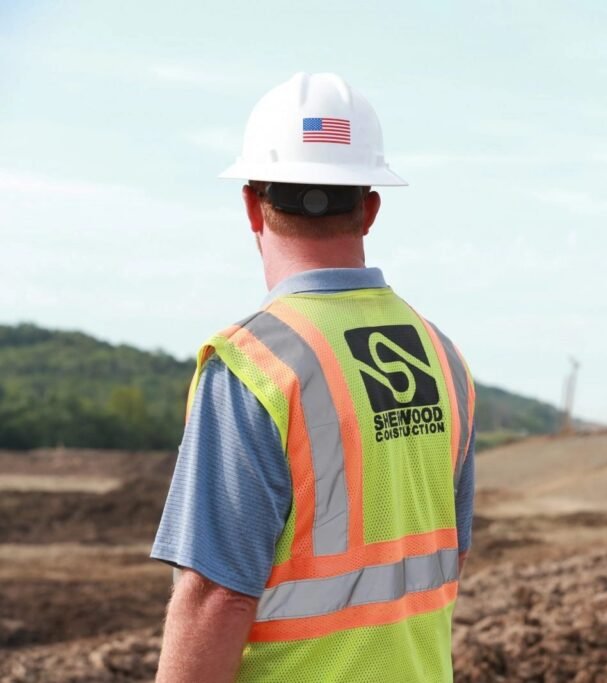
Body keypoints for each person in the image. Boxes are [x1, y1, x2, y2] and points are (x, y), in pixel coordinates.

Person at [151, 72, 476, 683]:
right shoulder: (443, 356)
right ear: (371, 206)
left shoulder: (253, 365)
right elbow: (445, 551)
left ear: (252, 203)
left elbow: (217, 595)